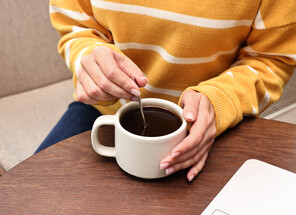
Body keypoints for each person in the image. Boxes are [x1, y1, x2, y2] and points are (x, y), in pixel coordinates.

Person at [36, 0, 296, 181]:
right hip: (102, 111)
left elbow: (272, 58)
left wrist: (222, 99)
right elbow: (76, 25)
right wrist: (89, 58)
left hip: (215, 126)